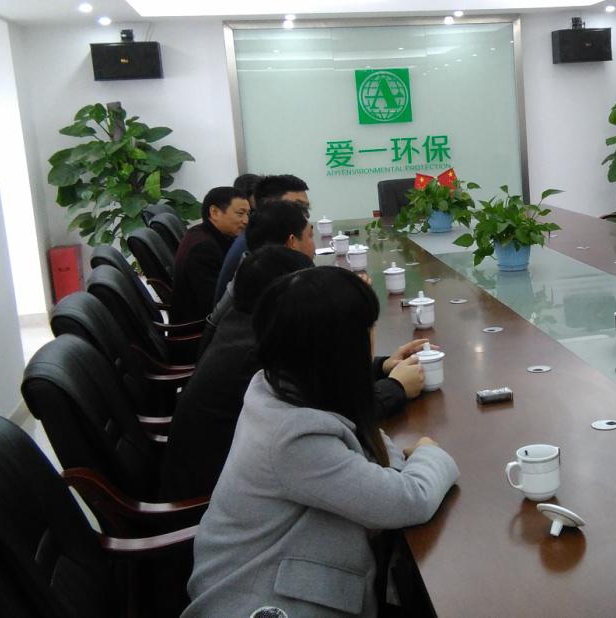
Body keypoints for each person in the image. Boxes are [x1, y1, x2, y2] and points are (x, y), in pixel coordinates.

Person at [185, 266, 458, 617]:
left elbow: (375, 452)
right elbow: (410, 499)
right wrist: (429, 452)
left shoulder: (275, 386)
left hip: (279, 576)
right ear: (340, 350)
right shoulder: (294, 438)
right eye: (367, 330)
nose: (372, 340)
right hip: (262, 601)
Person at [163, 246, 432, 501]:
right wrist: (397, 390)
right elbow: (407, 497)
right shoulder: (257, 369)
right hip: (199, 497)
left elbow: (322, 376)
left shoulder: (263, 353)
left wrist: (379, 367)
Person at [215, 173, 311, 303]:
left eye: (306, 208)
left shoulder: (261, 233)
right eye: (298, 207)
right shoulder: (261, 249)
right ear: (270, 207)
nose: (306, 215)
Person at [171, 186, 250, 325]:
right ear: (214, 212)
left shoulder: (202, 232)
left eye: (248, 214)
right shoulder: (202, 248)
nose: (246, 220)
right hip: (199, 331)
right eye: (240, 213)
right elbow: (214, 304)